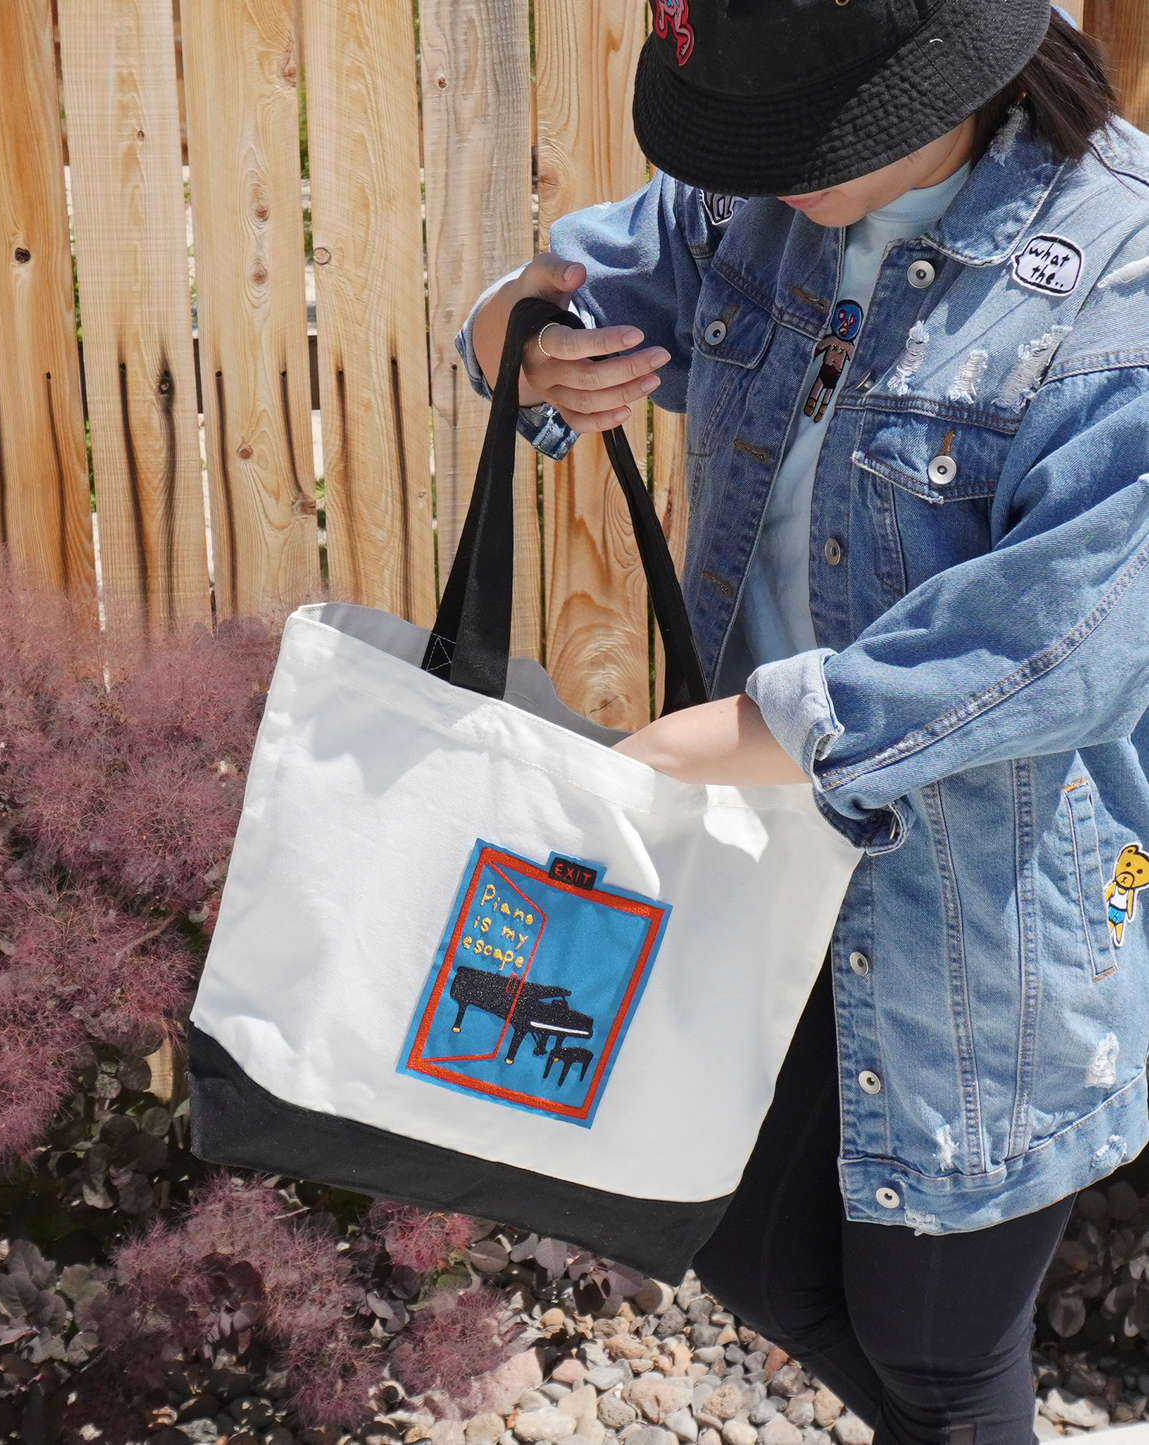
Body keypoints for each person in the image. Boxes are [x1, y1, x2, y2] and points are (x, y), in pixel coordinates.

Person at [459, 2, 1149, 1442]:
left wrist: (714, 744)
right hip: (751, 867)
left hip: (979, 921)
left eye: (803, 137)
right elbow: (569, 283)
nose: (765, 171)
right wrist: (513, 344)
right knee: (733, 1233)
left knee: (939, 1347)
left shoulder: (1115, 270)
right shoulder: (748, 201)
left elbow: (1064, 637)